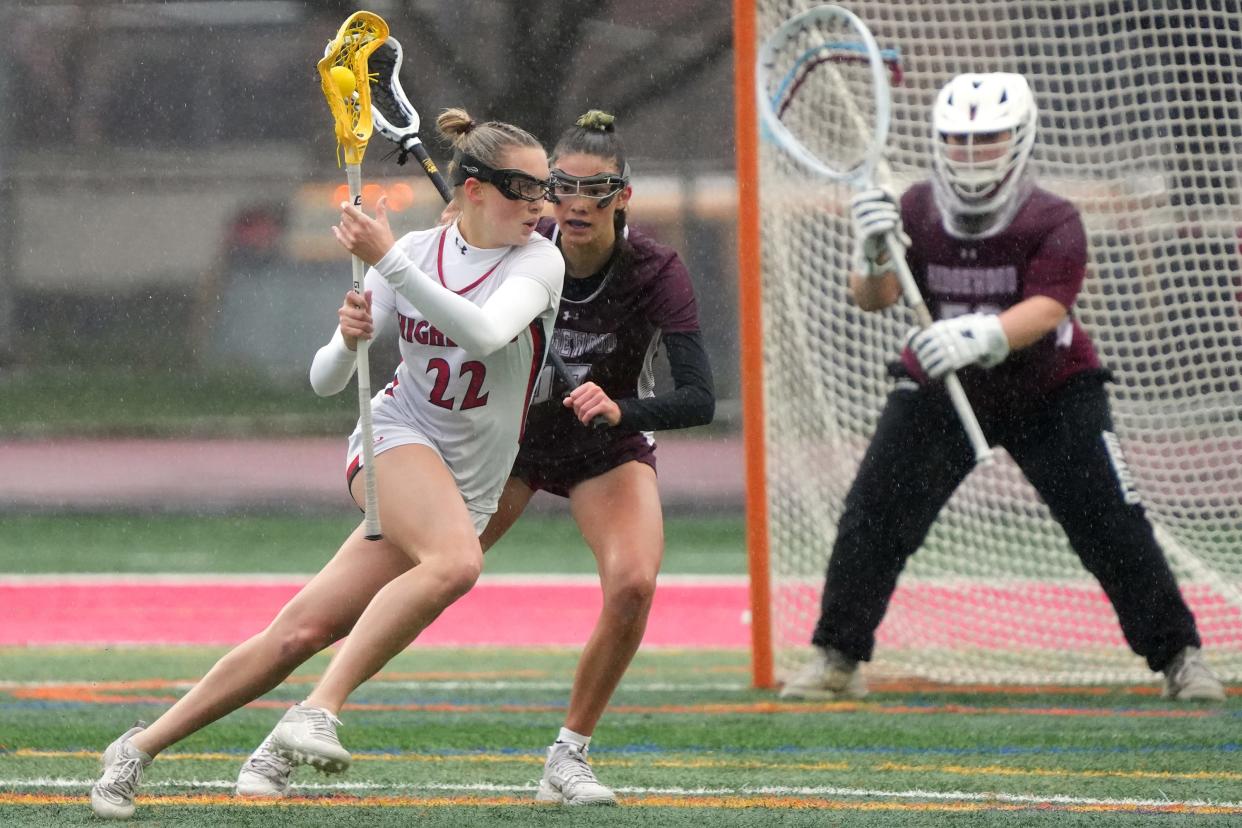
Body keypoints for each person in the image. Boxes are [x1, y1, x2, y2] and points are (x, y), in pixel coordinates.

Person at [89, 109, 565, 820]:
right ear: (471, 189)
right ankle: (316, 712)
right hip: (394, 439)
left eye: (544, 188)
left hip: (468, 482)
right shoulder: (411, 253)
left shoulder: (537, 261)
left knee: (300, 632)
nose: (540, 205)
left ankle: (137, 748)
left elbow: (488, 332)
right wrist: (348, 340)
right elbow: (325, 380)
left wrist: (390, 262)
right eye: (522, 189)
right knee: (458, 565)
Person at [779, 73, 1226, 703]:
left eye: (987, 138)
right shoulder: (913, 208)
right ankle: (837, 656)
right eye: (958, 140)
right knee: (874, 513)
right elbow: (874, 299)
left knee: (1110, 521)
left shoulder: (1053, 217)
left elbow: (1048, 308)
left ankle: (1179, 656)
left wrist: (978, 335)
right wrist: (871, 253)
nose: (970, 153)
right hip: (941, 387)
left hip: (1050, 388)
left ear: (1019, 138)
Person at [479, 110, 715, 805]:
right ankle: (312, 710)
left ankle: (568, 754)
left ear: (623, 197)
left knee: (634, 584)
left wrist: (622, 410)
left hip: (601, 447)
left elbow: (699, 397)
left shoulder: (654, 269)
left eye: (597, 190)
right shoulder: (522, 249)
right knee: (428, 570)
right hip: (512, 440)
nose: (577, 204)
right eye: (562, 188)